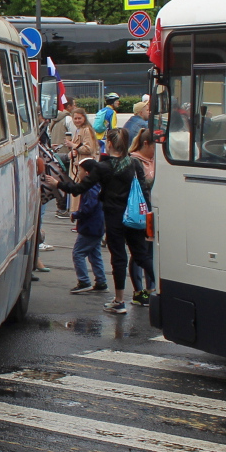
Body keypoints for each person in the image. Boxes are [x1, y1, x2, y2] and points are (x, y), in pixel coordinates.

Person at [46, 127, 150, 315]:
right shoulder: (134, 164)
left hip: (114, 218)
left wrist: (58, 184)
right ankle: (157, 291)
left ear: (109, 144)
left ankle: (119, 300)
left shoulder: (104, 167)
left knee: (119, 258)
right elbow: (144, 191)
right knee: (142, 255)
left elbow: (79, 188)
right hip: (135, 216)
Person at [128, 129, 157, 305]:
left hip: (153, 212)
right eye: (154, 146)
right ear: (146, 144)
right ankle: (139, 291)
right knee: (139, 252)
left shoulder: (156, 160)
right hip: (139, 213)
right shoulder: (134, 161)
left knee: (150, 252)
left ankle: (151, 289)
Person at [69, 180, 107, 294]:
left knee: (78, 253)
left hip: (90, 226)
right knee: (95, 254)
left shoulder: (90, 188)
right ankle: (101, 282)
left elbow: (88, 208)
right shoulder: (99, 185)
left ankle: (84, 281)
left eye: (80, 170)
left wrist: (76, 214)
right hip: (97, 226)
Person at [66, 106, 99, 222]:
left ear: (84, 118)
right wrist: (73, 152)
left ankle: (79, 217)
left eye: (79, 118)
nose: (77, 121)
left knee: (82, 193)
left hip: (84, 167)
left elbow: (88, 148)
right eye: (75, 118)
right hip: (77, 166)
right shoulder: (78, 130)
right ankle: (78, 216)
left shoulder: (86, 130)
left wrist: (73, 146)